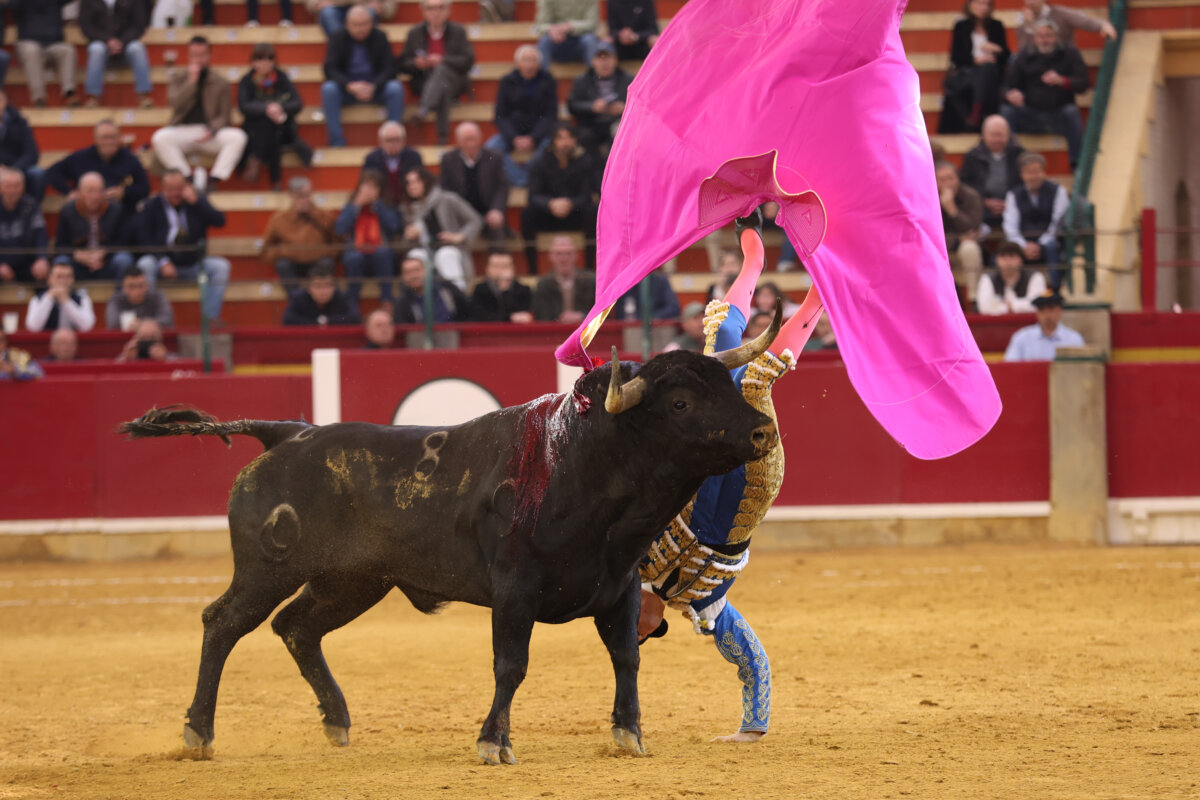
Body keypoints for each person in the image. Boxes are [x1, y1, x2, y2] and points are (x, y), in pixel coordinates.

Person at [639, 210, 827, 743]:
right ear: (656, 627)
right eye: (640, 633)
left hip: (706, 461)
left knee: (719, 356)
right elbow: (755, 664)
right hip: (751, 489)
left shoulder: (632, 560)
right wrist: (752, 728)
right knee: (755, 381)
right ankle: (820, 296)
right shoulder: (706, 607)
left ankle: (754, 258)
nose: (635, 625)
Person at [152, 36, 248, 191]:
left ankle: (214, 179)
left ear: (209, 56)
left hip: (209, 132)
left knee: (238, 137)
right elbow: (174, 103)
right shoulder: (179, 78)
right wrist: (191, 82)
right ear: (188, 56)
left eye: (202, 55)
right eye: (194, 55)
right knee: (160, 137)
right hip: (183, 130)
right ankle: (186, 178)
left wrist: (212, 130)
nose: (198, 59)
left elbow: (225, 116)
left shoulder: (220, 82)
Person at [135, 169, 231, 323]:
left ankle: (211, 319)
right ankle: (151, 319)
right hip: (164, 263)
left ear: (186, 186)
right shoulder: (152, 206)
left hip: (193, 263)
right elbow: (144, 239)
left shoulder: (197, 201)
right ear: (162, 188)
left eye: (179, 189)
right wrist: (163, 261)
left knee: (221, 266)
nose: (175, 194)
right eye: (170, 190)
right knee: (145, 264)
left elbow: (220, 222)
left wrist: (197, 203)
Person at [1000, 19, 1088, 168]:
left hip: (1059, 115)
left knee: (1072, 112)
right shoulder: (1024, 56)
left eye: (1048, 35)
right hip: (1031, 115)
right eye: (1040, 36)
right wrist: (1010, 94)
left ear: (1056, 37)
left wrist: (1063, 81)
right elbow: (1005, 86)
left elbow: (1083, 84)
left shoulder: (1070, 53)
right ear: (1034, 38)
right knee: (1006, 111)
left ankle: (1077, 163)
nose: (1044, 40)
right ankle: (1011, 160)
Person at [321, 7, 405, 148]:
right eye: (356, 25)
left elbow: (390, 68)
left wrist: (374, 86)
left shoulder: (380, 36)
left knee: (395, 88)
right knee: (328, 89)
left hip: (375, 88)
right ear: (347, 24)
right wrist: (349, 85)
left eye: (364, 24)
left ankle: (394, 140)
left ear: (371, 23)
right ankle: (337, 142)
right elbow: (329, 68)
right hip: (347, 89)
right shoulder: (337, 36)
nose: (360, 29)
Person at [522, 122, 597, 274]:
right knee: (527, 214)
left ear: (575, 140)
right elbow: (533, 196)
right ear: (553, 142)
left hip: (574, 213)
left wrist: (570, 204)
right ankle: (533, 271)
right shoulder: (540, 162)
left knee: (593, 211)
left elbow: (585, 195)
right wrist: (550, 204)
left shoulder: (583, 163)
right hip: (548, 215)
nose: (565, 143)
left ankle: (591, 270)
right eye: (561, 138)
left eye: (569, 138)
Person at [398, 0, 475, 146]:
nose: (436, 12)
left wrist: (443, 60)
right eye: (431, 8)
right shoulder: (414, 33)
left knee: (441, 72)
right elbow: (402, 63)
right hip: (425, 82)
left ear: (448, 10)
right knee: (442, 86)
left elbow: (468, 60)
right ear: (423, 11)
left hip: (455, 81)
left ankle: (424, 110)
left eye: (440, 7)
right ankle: (442, 136)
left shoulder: (458, 31)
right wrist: (416, 63)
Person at [238, 43, 312, 190]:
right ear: (253, 61)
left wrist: (279, 108)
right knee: (268, 126)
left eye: (269, 58)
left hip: (282, 127)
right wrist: (266, 109)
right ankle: (276, 179)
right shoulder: (247, 80)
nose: (265, 62)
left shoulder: (281, 78)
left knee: (271, 125)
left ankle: (256, 162)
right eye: (260, 58)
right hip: (256, 130)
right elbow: (244, 106)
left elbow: (297, 103)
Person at [485, 45, 559, 188]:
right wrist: (513, 137)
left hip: (540, 132)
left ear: (539, 63)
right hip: (512, 132)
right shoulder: (507, 81)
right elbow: (500, 115)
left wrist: (534, 137)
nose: (529, 64)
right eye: (525, 60)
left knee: (552, 146)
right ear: (517, 63)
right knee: (490, 149)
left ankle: (529, 177)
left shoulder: (548, 80)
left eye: (533, 60)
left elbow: (551, 115)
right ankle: (523, 180)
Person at [399, 167, 482, 291]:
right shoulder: (407, 209)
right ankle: (418, 300)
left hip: (450, 248)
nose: (412, 186)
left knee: (445, 254)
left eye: (417, 181)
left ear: (426, 181)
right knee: (414, 257)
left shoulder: (448, 199)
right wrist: (409, 236)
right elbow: (406, 244)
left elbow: (475, 220)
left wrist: (459, 236)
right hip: (424, 250)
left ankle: (458, 296)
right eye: (409, 183)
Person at [45, 120, 150, 216]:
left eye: (113, 137)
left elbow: (144, 187)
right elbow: (53, 172)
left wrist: (124, 193)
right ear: (96, 140)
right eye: (105, 137)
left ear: (119, 138)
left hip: (118, 214)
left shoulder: (130, 159)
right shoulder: (81, 157)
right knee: (69, 209)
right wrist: (69, 191)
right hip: (86, 213)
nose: (109, 142)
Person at [261, 176, 341, 296]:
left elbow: (338, 246)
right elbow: (265, 251)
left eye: (308, 195)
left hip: (318, 263)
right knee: (283, 265)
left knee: (326, 263)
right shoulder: (278, 220)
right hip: (292, 264)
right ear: (291, 196)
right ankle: (298, 304)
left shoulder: (325, 217)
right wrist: (286, 252)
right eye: (300, 196)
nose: (305, 199)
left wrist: (317, 252)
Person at [335, 169, 401, 311]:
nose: (369, 190)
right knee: (354, 258)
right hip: (357, 251)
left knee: (382, 253)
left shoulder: (386, 204)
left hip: (380, 252)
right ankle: (352, 301)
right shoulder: (351, 205)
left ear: (380, 189)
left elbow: (394, 226)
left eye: (374, 187)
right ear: (360, 188)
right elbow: (340, 229)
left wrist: (378, 207)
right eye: (366, 186)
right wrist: (356, 206)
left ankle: (387, 299)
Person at [939, 0, 1009, 133]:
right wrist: (976, 60)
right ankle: (974, 113)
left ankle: (976, 111)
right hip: (969, 70)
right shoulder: (961, 26)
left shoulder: (996, 26)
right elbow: (956, 57)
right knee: (953, 83)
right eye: (979, 3)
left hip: (992, 71)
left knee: (986, 69)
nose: (983, 7)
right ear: (970, 5)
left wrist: (997, 49)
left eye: (986, 4)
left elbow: (1006, 56)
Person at [1002, 151, 1069, 288]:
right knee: (1005, 253)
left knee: (1052, 247)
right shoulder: (1013, 195)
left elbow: (1057, 223)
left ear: (1044, 172)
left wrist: (1040, 244)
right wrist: (1023, 245)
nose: (1033, 176)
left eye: (1037, 171)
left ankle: (1056, 289)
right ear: (1022, 174)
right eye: (1029, 172)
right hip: (1023, 244)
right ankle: (1011, 291)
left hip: (1050, 242)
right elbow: (1010, 226)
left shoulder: (1058, 191)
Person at [53, 172, 134, 281]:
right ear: (80, 192)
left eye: (100, 191)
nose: (95, 196)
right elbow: (60, 245)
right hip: (78, 264)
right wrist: (77, 255)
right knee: (61, 261)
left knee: (124, 259)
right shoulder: (68, 211)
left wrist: (104, 252)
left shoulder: (116, 210)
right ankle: (66, 297)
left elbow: (123, 242)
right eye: (90, 191)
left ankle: (120, 297)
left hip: (107, 262)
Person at [440, 121, 510, 246]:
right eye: (466, 140)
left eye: (473, 139)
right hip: (461, 215)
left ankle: (499, 263)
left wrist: (496, 209)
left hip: (487, 212)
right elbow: (445, 189)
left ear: (480, 138)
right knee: (451, 237)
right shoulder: (449, 159)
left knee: (497, 231)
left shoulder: (493, 156)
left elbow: (502, 186)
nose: (471, 144)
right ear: (458, 141)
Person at [959, 114, 1025, 233]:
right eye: (993, 135)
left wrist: (1010, 201)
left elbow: (1024, 182)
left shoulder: (1019, 155)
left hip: (1014, 206)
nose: (997, 139)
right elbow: (966, 183)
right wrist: (983, 200)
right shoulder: (972, 156)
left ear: (1009, 135)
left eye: (1000, 135)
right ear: (983, 135)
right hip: (981, 207)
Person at [79, 0, 152, 108]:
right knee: (96, 50)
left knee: (137, 49)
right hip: (101, 42)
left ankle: (144, 96)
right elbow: (86, 27)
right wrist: (108, 40)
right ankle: (94, 97)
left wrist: (121, 42)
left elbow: (139, 25)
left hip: (127, 42)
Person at [566, 41, 632, 157]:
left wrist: (624, 109)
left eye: (608, 57)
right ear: (593, 61)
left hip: (618, 123)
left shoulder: (628, 79)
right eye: (600, 58)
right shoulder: (582, 80)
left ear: (615, 60)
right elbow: (572, 105)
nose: (604, 62)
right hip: (591, 123)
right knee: (586, 137)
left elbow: (640, 105)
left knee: (620, 135)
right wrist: (592, 107)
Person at [12, 0, 79, 107]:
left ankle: (69, 92)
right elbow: (11, 5)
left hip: (53, 44)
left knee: (68, 50)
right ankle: (39, 97)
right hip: (29, 42)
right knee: (31, 50)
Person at [936, 161, 984, 307]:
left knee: (969, 247)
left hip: (962, 249)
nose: (947, 183)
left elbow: (972, 227)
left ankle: (973, 299)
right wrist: (957, 239)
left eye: (950, 178)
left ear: (958, 178)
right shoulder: (928, 196)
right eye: (942, 180)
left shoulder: (971, 196)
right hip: (940, 248)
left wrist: (952, 210)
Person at [1003, 289, 1083, 361]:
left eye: (1051, 309)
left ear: (1060, 311)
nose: (1047, 314)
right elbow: (1010, 366)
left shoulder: (1074, 339)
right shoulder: (1022, 338)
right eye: (1042, 310)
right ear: (1037, 313)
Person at [0, 168, 49, 284]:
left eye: (17, 186)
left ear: (23, 187)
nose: (12, 190)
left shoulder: (31, 205)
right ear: (1, 187)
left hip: (27, 263)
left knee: (47, 275)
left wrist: (42, 259)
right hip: (2, 264)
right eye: (8, 186)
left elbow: (40, 235)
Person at [530, 234, 594, 322]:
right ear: (551, 256)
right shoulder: (543, 284)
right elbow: (541, 316)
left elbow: (602, 312)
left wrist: (581, 316)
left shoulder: (590, 280)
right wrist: (560, 318)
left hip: (586, 332)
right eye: (558, 254)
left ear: (576, 255)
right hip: (554, 332)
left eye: (568, 253)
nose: (564, 258)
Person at [393, 253, 470, 323]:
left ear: (426, 271)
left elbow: (467, 313)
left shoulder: (448, 289)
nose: (413, 276)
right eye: (408, 272)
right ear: (403, 277)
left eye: (417, 270)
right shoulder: (402, 303)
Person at [1014, 0, 1117, 52]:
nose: (1031, 2)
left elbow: (1085, 22)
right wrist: (1029, 27)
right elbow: (1023, 50)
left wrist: (1103, 25)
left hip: (1062, 61)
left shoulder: (1059, 13)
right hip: (1035, 68)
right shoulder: (1022, 20)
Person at [976, 240, 1046, 315]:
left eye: (1012, 256)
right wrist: (1016, 306)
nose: (1008, 262)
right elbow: (984, 308)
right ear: (997, 260)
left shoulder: (1035, 276)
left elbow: (1038, 304)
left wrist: (1011, 304)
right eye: (1003, 257)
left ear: (1021, 260)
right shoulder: (987, 278)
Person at [362, 122, 423, 206]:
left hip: (409, 202)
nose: (393, 144)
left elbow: (421, 183)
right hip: (381, 203)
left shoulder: (414, 157)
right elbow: (366, 184)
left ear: (404, 140)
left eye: (397, 140)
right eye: (389, 140)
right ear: (381, 142)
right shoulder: (372, 159)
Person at [282, 263, 362, 326]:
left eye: (327, 285)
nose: (323, 291)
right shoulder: (299, 298)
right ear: (309, 289)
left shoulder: (342, 297)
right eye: (318, 286)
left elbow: (355, 317)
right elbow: (288, 319)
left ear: (334, 287)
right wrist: (319, 322)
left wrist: (328, 321)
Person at [26, 261, 96, 331]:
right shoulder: (37, 299)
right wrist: (49, 298)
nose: (63, 281)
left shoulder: (82, 299)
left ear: (73, 279)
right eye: (59, 277)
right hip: (47, 341)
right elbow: (33, 327)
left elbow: (87, 326)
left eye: (68, 277)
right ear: (49, 279)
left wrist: (66, 301)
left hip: (74, 341)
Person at [0, 90, 44, 200]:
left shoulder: (20, 122)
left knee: (37, 174)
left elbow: (32, 154)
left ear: (5, 102)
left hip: (16, 167)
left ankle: (31, 211)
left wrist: (13, 169)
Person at [468, 251, 533, 322]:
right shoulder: (480, 290)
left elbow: (526, 316)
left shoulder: (524, 290)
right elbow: (479, 317)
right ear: (487, 269)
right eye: (496, 266)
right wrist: (510, 317)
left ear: (513, 268)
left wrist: (505, 288)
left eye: (505, 266)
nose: (500, 270)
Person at [105, 264, 175, 329]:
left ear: (147, 286)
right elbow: (112, 323)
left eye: (140, 286)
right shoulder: (115, 299)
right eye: (131, 286)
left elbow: (167, 320)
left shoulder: (158, 296)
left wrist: (141, 324)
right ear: (123, 287)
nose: (136, 291)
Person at [535, 0, 600, 67]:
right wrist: (551, 29)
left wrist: (570, 26)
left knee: (589, 40)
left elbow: (592, 24)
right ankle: (542, 76)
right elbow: (540, 26)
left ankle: (595, 75)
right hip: (557, 42)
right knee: (545, 41)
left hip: (581, 41)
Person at [612, 268, 679, 320]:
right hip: (630, 329)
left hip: (659, 329)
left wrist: (652, 318)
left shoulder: (661, 281)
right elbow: (621, 314)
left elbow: (673, 308)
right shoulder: (626, 283)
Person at [307, 0, 396, 39]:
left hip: (365, 6)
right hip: (332, 6)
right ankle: (342, 50)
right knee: (328, 13)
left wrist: (383, 7)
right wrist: (316, 3)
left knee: (369, 13)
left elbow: (390, 6)